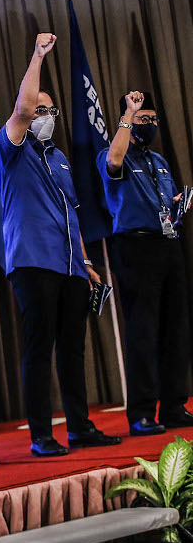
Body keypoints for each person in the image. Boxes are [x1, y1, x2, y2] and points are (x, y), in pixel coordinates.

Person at [0, 33, 121, 456]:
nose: (44, 115)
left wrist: (85, 261)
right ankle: (41, 437)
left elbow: (71, 212)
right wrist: (37, 56)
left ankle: (80, 428)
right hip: (32, 263)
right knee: (38, 348)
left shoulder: (59, 156)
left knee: (72, 348)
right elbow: (22, 109)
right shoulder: (10, 149)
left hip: (69, 266)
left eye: (50, 110)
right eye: (40, 110)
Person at [97, 90, 193, 435]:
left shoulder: (160, 161)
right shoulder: (112, 153)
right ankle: (141, 412)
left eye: (151, 119)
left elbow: (164, 199)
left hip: (168, 244)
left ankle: (173, 405)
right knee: (143, 331)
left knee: (175, 329)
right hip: (135, 247)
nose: (148, 124)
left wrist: (176, 204)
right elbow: (115, 160)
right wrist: (128, 113)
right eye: (142, 119)